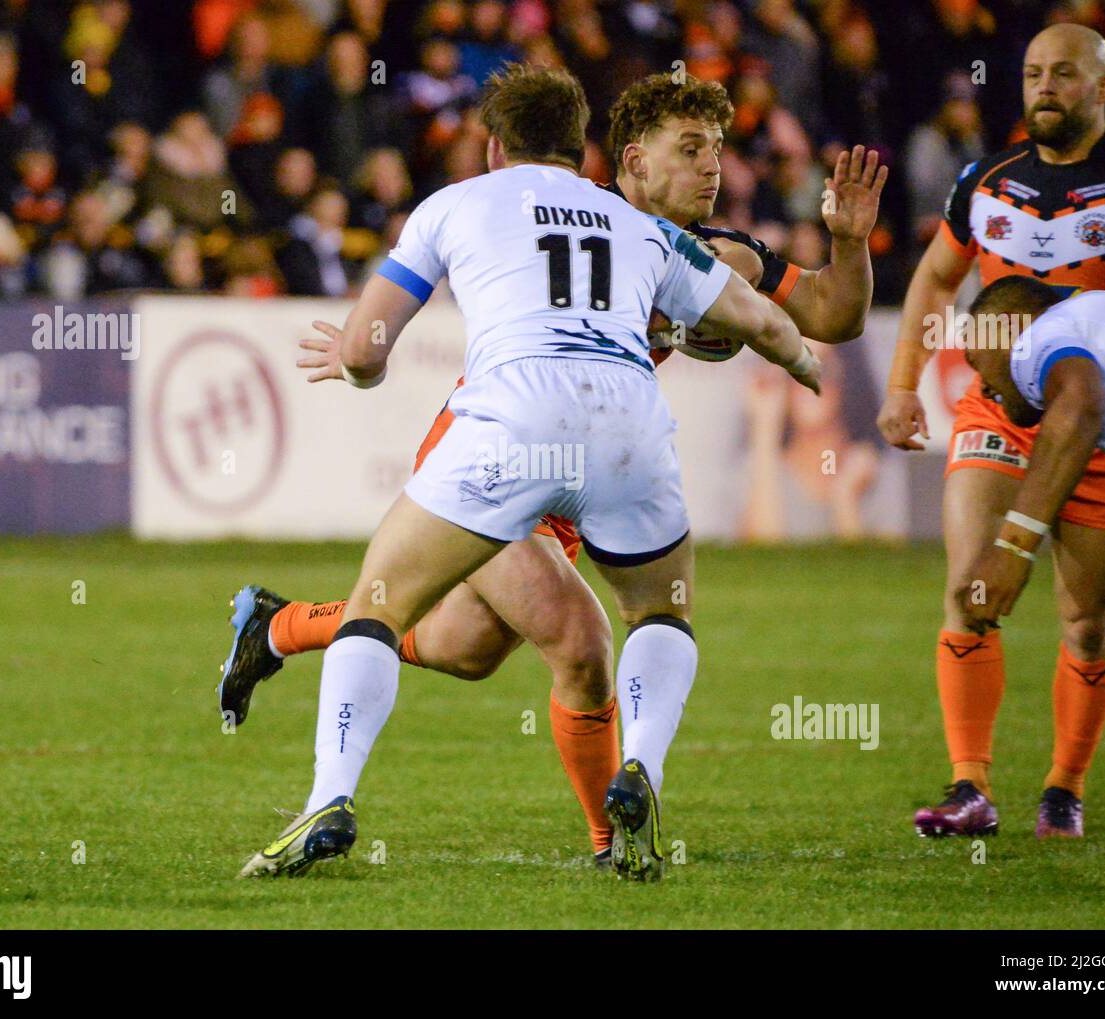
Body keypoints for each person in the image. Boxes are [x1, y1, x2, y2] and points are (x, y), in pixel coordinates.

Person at [219, 72, 883, 866]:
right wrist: (790, 358)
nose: (711, 167)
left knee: (465, 646)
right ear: (631, 161)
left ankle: (278, 626)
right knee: (581, 639)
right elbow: (776, 333)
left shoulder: (720, 250)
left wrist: (849, 242)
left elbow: (834, 313)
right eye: (689, 149)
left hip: (580, 460)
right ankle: (615, 841)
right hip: (513, 448)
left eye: (717, 149)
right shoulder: (606, 220)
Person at [876, 24, 1105, 839]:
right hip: (1002, 410)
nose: (1046, 86)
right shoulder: (985, 180)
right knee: (970, 587)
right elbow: (934, 280)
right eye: (1034, 73)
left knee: (1091, 622)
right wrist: (903, 385)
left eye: (1066, 74)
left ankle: (1063, 789)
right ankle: (970, 785)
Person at [956, 277, 1105, 883]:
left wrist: (1013, 546)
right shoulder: (1099, 323)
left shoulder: (1044, 339)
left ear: (1008, 328)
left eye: (978, 360)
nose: (985, 387)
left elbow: (1079, 405)